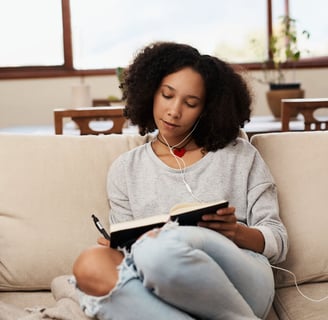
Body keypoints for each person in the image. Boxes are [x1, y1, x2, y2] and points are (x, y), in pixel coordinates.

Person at [72, 42, 288, 320]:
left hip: (242, 280)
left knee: (159, 245)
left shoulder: (239, 155)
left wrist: (236, 233)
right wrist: (117, 247)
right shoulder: (125, 169)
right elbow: (127, 257)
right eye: (166, 95)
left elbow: (279, 241)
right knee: (90, 263)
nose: (174, 111)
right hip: (162, 286)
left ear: (206, 109)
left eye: (190, 103)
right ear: (150, 92)